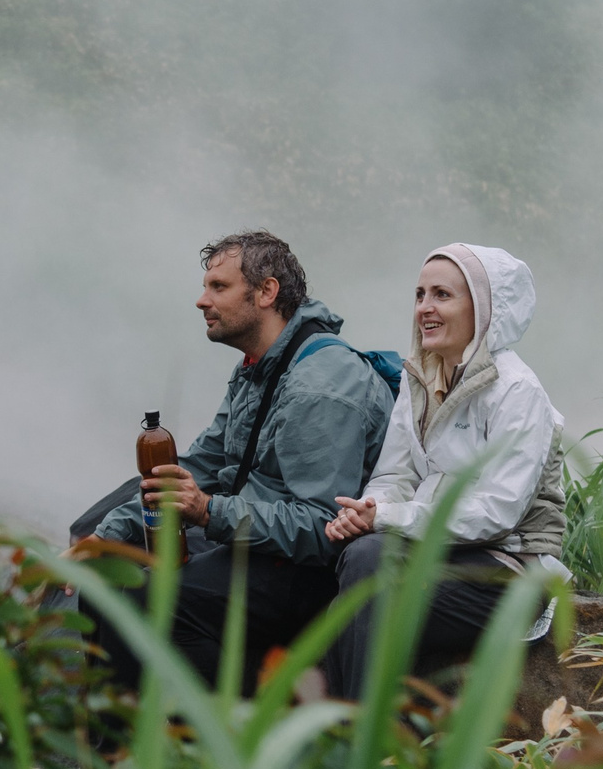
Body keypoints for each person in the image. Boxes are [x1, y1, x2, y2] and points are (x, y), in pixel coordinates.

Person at [71, 231, 395, 693]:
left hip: (306, 570)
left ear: (266, 292)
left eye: (218, 287)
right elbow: (201, 464)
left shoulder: (321, 385)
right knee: (107, 579)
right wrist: (107, 537)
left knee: (148, 599)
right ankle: (112, 756)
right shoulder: (258, 366)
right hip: (255, 542)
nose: (201, 301)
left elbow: (324, 526)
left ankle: (225, 742)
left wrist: (208, 511)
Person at [319, 244, 565, 702]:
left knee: (364, 592)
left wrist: (387, 519)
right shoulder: (422, 380)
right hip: (437, 555)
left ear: (484, 308)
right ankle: (358, 734)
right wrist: (371, 509)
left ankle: (351, 737)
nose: (425, 308)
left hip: (506, 570)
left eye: (442, 295)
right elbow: (395, 475)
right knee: (359, 558)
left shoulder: (517, 391)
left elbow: (497, 512)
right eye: (419, 294)